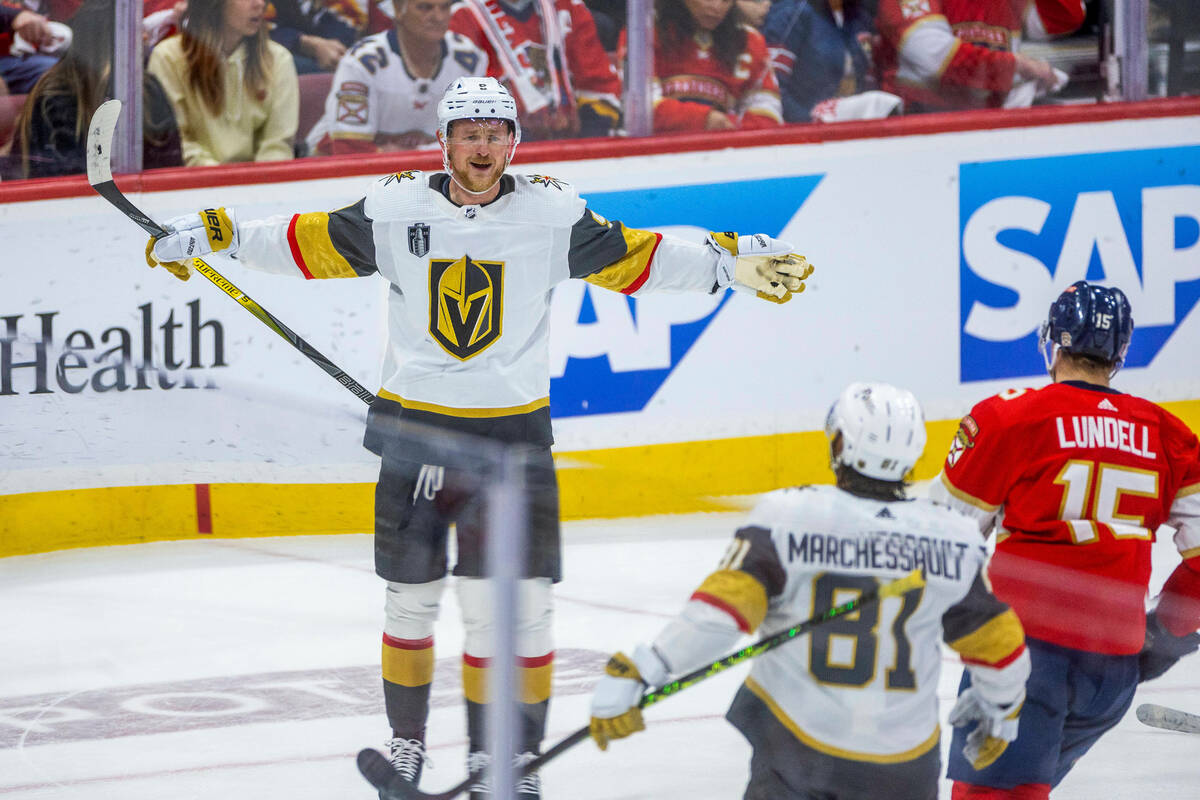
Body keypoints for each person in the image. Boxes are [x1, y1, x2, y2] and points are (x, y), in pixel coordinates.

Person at [143, 77, 814, 798]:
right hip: (417, 436)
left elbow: (637, 258)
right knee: (410, 604)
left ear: (513, 144)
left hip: (513, 443)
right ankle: (407, 747)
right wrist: (217, 233)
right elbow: (305, 243)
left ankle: (509, 760)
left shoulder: (550, 213)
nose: (483, 147)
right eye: (469, 134)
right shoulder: (396, 207)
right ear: (444, 142)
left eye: (496, 134)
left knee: (520, 613)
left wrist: (727, 264)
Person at [590, 382, 1032, 800]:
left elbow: (720, 614)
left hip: (798, 749)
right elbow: (1000, 644)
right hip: (903, 764)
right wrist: (1002, 710)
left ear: (839, 444)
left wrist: (644, 669)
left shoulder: (790, 516)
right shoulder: (951, 537)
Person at [930, 281, 1200, 799]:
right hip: (1112, 672)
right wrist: (1166, 629)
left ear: (1053, 340)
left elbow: (941, 540)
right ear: (1119, 354)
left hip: (1021, 656)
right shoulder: (1167, 433)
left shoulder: (1010, 417)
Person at [10, 0, 181, 178]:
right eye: (136, 31)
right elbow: (59, 184)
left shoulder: (147, 89)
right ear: (108, 41)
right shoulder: (53, 98)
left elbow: (170, 168)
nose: (145, 38)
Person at [305, 0, 487, 156]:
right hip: (336, 170)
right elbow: (349, 148)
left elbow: (479, 136)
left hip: (429, 170)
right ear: (398, 10)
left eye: (444, 7)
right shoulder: (362, 62)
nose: (438, 17)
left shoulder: (469, 59)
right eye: (425, 8)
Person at [147, 0, 299, 165]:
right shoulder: (167, 58)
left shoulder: (279, 59)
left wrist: (255, 185)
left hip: (263, 185)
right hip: (192, 185)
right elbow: (178, 143)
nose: (260, 4)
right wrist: (222, 181)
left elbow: (278, 146)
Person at [449, 0, 621, 140]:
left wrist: (586, 143)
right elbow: (463, 104)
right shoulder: (463, 17)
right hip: (500, 153)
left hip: (568, 146)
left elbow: (601, 89)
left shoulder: (568, 9)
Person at [873, 0, 1085, 113]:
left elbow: (1067, 17)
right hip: (920, 127)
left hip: (989, 124)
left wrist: (1015, 69)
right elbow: (934, 56)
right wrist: (1016, 66)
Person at [620, 0, 782, 133]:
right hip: (656, 155)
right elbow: (637, 111)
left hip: (727, 155)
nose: (716, 6)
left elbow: (769, 116)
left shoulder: (749, 41)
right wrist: (704, 120)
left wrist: (726, 126)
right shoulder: (643, 31)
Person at [761, 0, 876, 123]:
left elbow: (869, 80)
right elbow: (773, 87)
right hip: (804, 129)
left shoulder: (860, 15)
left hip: (854, 127)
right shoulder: (791, 13)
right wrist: (809, 122)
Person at [265, 0, 364, 74]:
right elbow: (259, 28)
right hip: (273, 49)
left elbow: (349, 20)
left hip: (329, 54)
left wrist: (330, 50)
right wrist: (307, 43)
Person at [0, 0, 76, 95]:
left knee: (69, 73)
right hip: (8, 61)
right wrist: (15, 16)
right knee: (59, 73)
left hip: (27, 59)